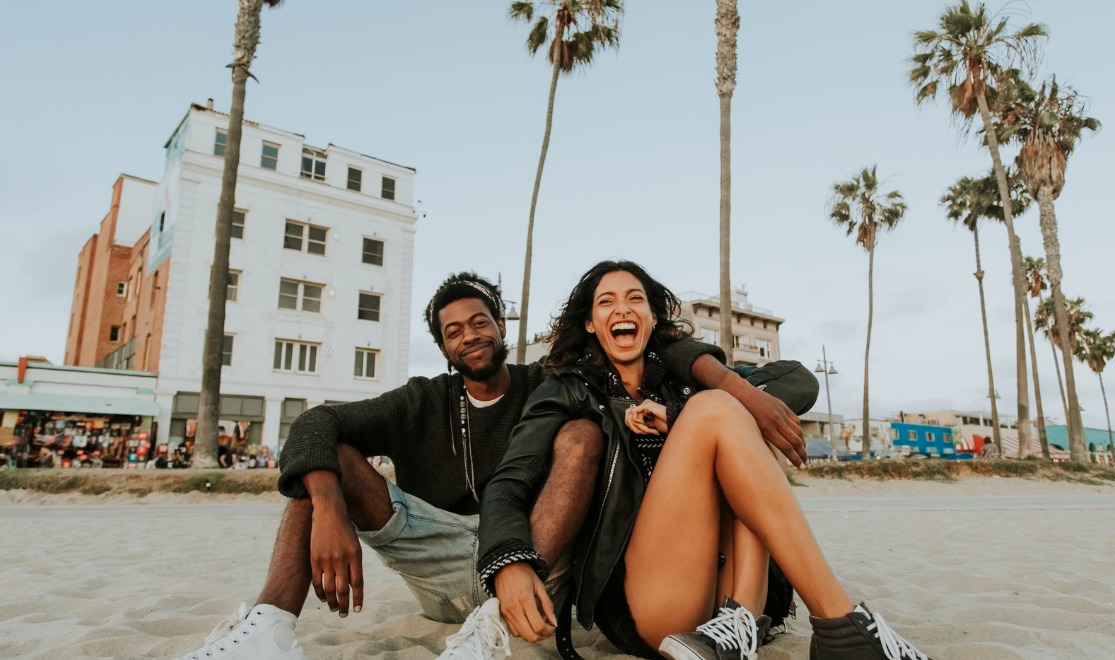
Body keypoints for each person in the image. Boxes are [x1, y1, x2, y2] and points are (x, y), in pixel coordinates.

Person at [174, 271, 802, 660]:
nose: (470, 335)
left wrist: (715, 375)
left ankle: (493, 629)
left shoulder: (550, 382)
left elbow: (646, 348)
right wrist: (330, 505)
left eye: (480, 321)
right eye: (455, 330)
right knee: (327, 460)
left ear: (501, 326)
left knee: (580, 436)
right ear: (443, 346)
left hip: (535, 560)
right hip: (440, 563)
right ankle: (270, 628)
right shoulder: (420, 402)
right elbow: (316, 423)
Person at [476, 260, 927, 660]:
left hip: (727, 594)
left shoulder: (684, 379)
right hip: (647, 597)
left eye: (636, 299)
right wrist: (508, 560)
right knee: (717, 410)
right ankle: (841, 626)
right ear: (592, 324)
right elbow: (510, 481)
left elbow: (799, 383)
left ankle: (742, 620)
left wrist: (684, 391)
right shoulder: (569, 388)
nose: (623, 309)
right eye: (606, 302)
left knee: (735, 413)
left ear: (652, 318)